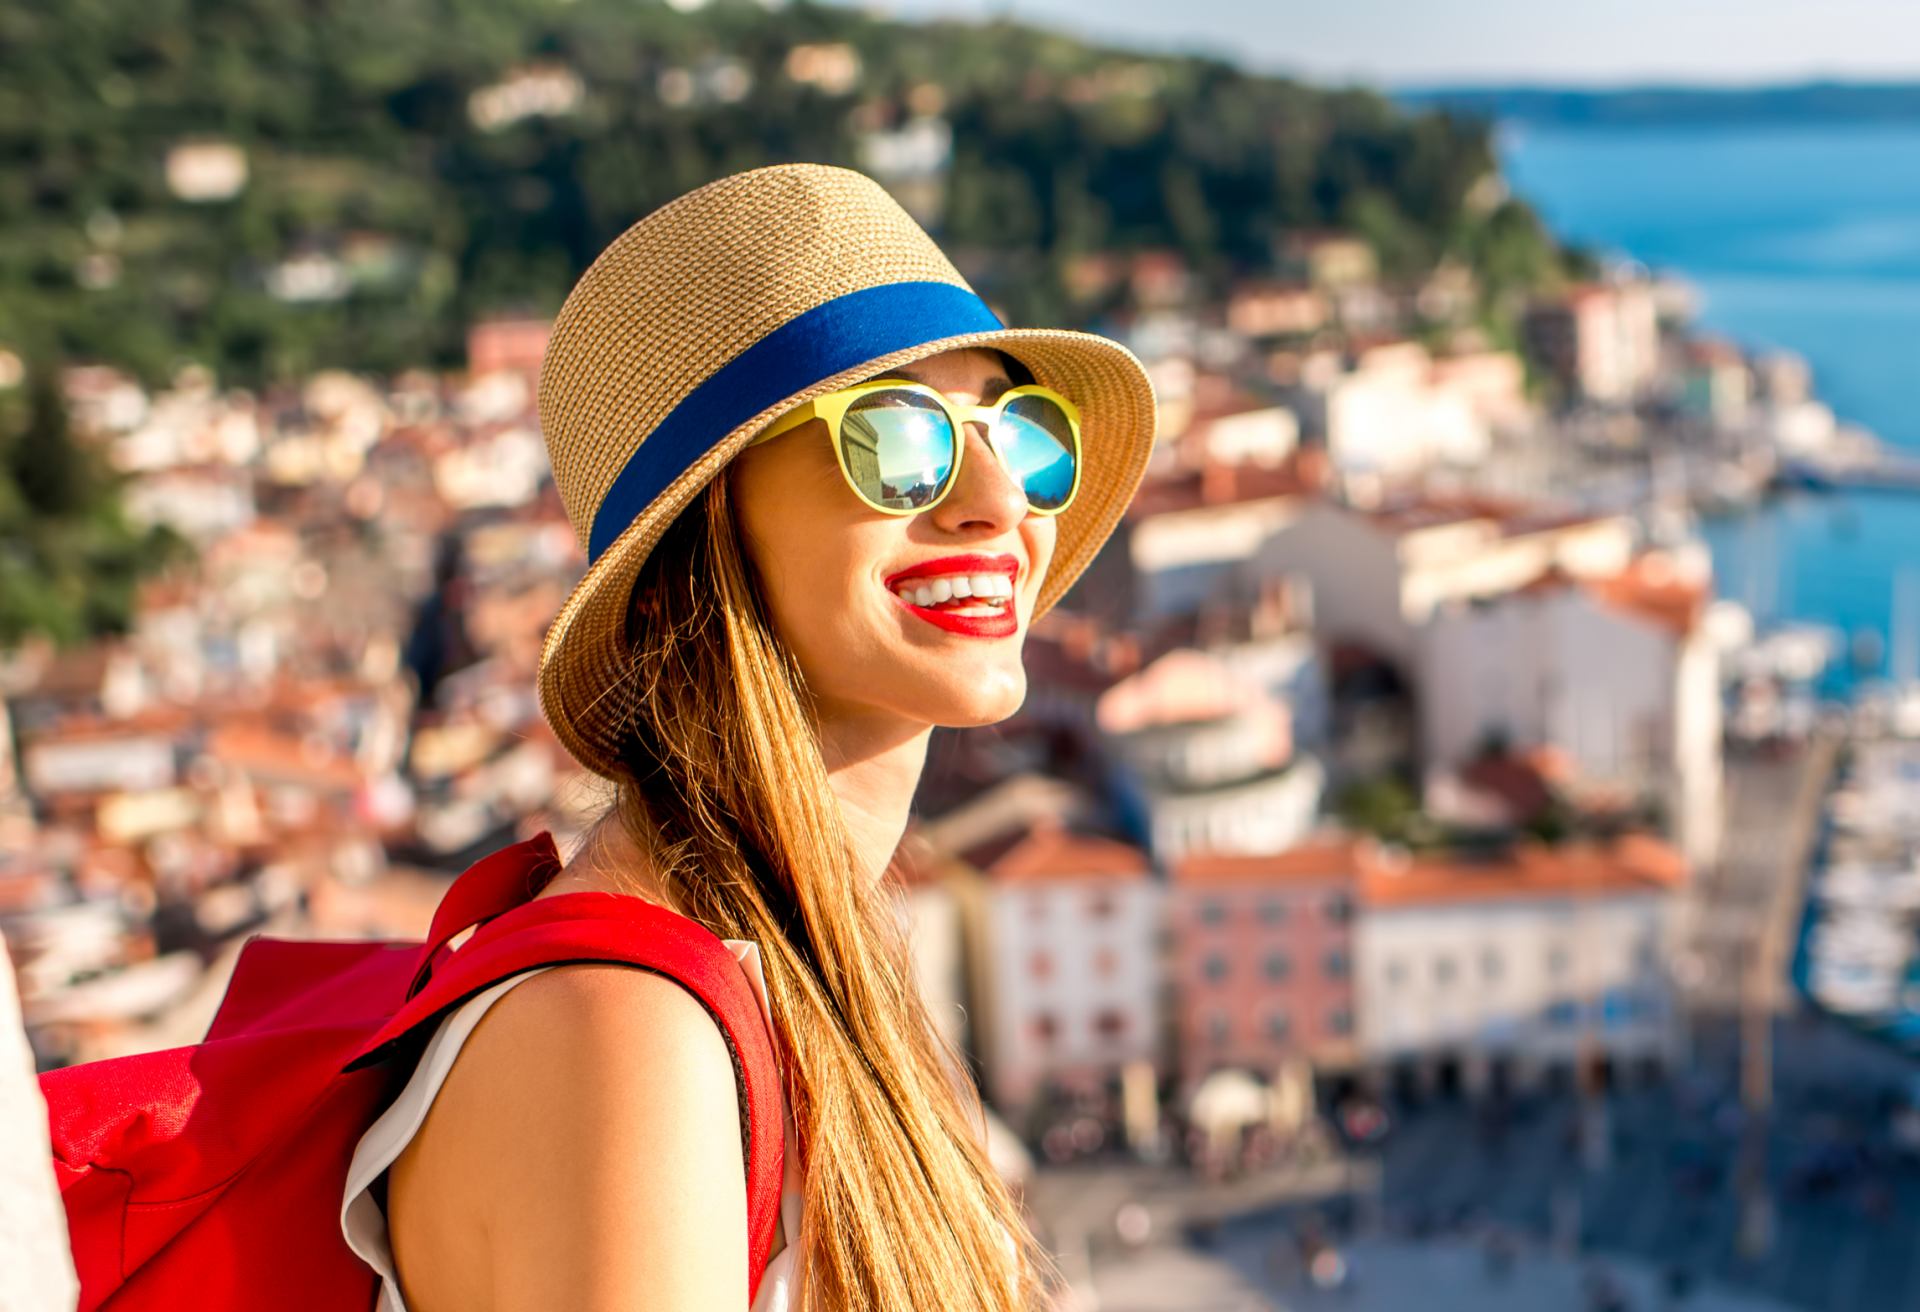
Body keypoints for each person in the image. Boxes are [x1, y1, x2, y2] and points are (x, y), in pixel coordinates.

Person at [339, 163, 1157, 1311]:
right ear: (706, 528)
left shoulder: (795, 984)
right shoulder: (626, 1038)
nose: (998, 500)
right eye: (896, 435)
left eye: (1023, 433)